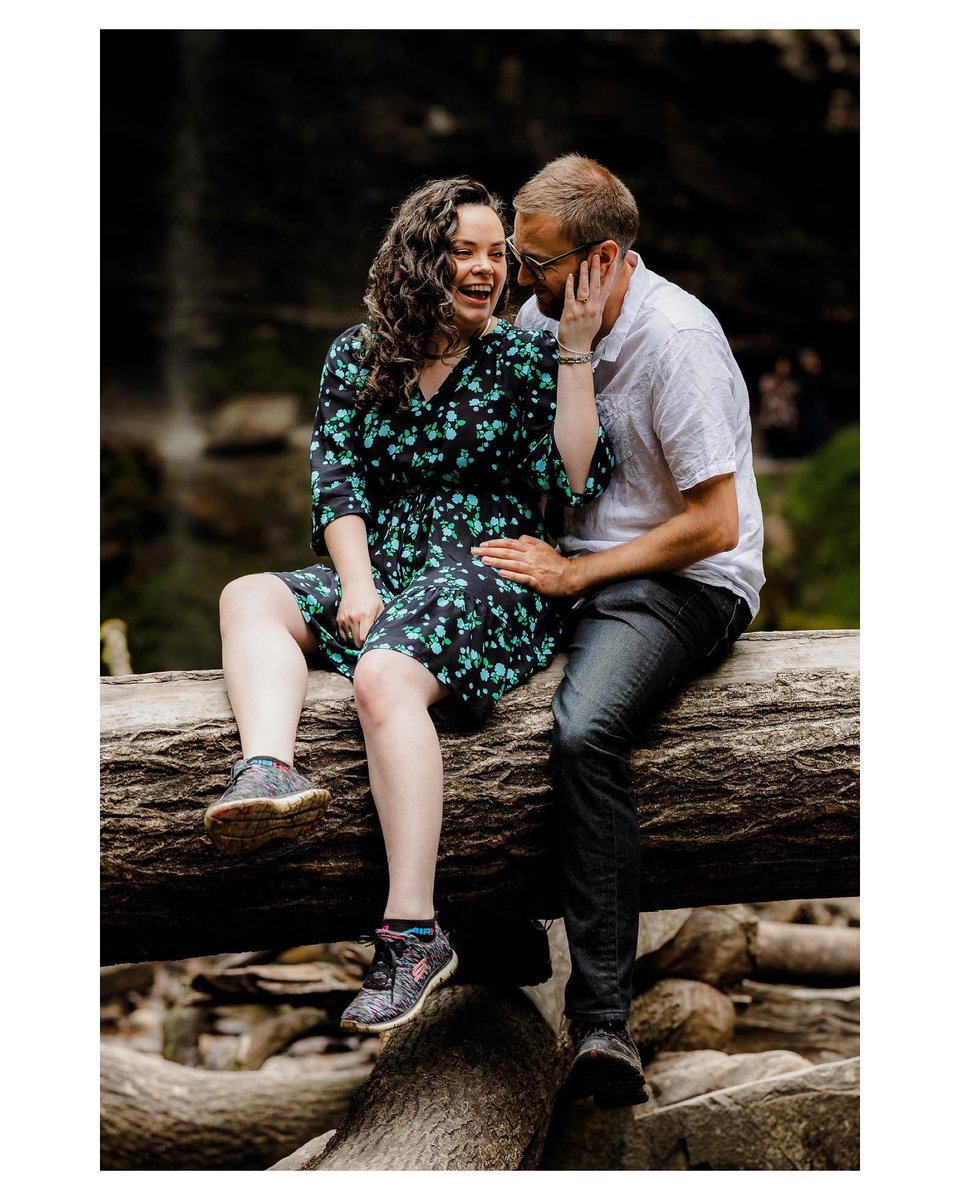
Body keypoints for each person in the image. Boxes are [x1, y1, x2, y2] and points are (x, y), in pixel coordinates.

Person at [204, 177, 615, 1036]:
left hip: (488, 572)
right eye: (464, 250)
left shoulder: (523, 358)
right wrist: (356, 582)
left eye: (498, 253)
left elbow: (578, 476)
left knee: (385, 675)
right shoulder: (358, 355)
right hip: (384, 566)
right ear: (421, 260)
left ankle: (412, 933)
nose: (487, 268)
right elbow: (339, 481)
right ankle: (269, 771)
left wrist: (574, 350)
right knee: (249, 595)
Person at [473, 155, 764, 1109]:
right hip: (570, 563)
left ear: (603, 257)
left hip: (680, 576)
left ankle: (603, 1025)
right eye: (517, 256)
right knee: (440, 685)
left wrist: (576, 573)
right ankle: (495, 939)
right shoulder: (540, 321)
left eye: (538, 261)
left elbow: (715, 525)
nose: (519, 277)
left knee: (583, 730)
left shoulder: (678, 339)